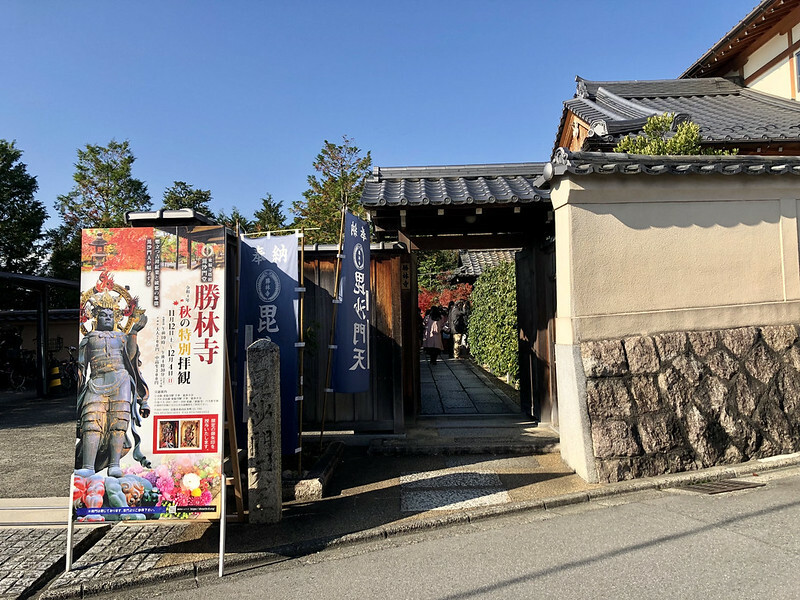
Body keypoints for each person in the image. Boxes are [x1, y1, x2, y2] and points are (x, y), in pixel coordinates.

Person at [75, 294, 150, 478]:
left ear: (116, 318)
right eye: (103, 315)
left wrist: (133, 333)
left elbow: (132, 362)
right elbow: (81, 367)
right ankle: (88, 465)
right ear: (95, 317)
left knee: (118, 423)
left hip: (120, 380)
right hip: (97, 381)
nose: (107, 318)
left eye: (111, 315)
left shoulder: (122, 337)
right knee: (91, 422)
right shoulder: (89, 338)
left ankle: (114, 464)